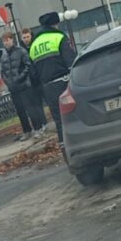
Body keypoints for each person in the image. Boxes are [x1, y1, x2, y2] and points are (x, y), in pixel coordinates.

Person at [29, 12, 77, 144]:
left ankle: (64, 148)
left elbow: (33, 73)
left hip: (47, 88)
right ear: (55, 24)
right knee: (72, 116)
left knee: (58, 121)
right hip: (64, 84)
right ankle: (76, 146)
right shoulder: (59, 37)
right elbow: (71, 62)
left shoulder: (34, 44)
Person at [0, 31, 46, 140]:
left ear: (12, 40)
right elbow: (3, 72)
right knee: (20, 111)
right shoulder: (3, 56)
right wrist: (8, 82)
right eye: (4, 41)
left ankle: (38, 129)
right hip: (13, 88)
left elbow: (27, 65)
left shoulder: (21, 51)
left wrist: (20, 78)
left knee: (31, 108)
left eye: (7, 40)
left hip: (24, 85)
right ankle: (26, 130)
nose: (6, 43)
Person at [21, 27, 47, 116]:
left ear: (31, 36)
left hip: (41, 77)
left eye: (27, 37)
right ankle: (44, 123)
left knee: (48, 98)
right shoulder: (21, 51)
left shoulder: (36, 45)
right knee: (37, 103)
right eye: (24, 37)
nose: (26, 39)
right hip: (31, 80)